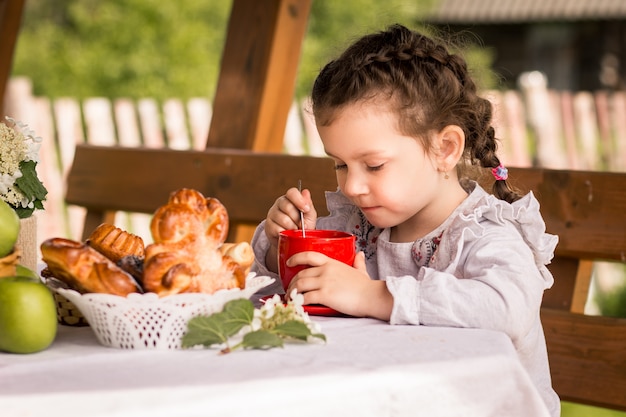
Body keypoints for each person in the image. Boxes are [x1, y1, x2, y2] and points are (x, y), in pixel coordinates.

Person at [250, 24, 560, 416]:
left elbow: (507, 309)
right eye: (341, 165)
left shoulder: (483, 234)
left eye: (374, 165)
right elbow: (298, 297)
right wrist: (284, 244)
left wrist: (373, 295)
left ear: (444, 149)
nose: (352, 186)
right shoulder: (358, 226)